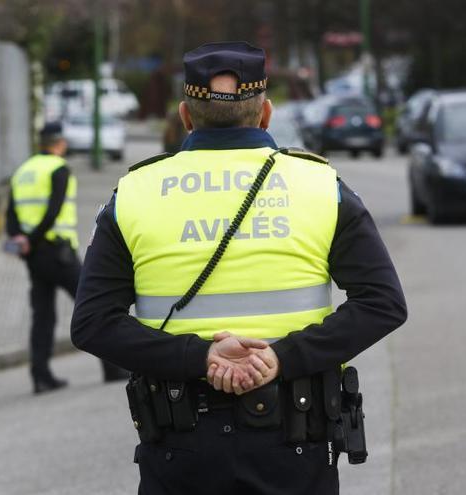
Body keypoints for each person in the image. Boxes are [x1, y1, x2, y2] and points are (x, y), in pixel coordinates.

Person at [71, 41, 407, 494]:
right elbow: (383, 303)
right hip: (295, 445)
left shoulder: (133, 193)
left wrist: (200, 358)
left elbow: (92, 324)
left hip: (179, 448)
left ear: (185, 116)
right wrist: (278, 358)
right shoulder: (320, 185)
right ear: (266, 113)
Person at [6, 123, 127, 394]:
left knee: (43, 315)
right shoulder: (58, 169)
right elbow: (53, 210)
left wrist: (21, 240)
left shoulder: (23, 171)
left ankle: (40, 375)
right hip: (57, 253)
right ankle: (113, 368)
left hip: (34, 256)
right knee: (95, 307)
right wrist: (35, 238)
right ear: (59, 143)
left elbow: (11, 215)